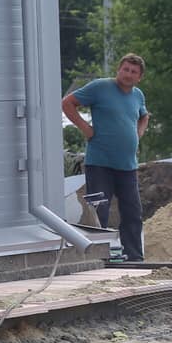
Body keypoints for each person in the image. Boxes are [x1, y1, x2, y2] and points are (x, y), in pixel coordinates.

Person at [63, 53, 150, 261]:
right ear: (118, 69)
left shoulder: (138, 95)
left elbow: (144, 116)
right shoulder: (100, 87)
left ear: (139, 77)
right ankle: (98, 258)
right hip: (100, 163)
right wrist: (86, 129)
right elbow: (67, 103)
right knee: (98, 210)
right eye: (125, 69)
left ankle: (134, 257)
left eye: (133, 72)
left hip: (127, 165)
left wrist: (139, 133)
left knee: (132, 212)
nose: (128, 74)